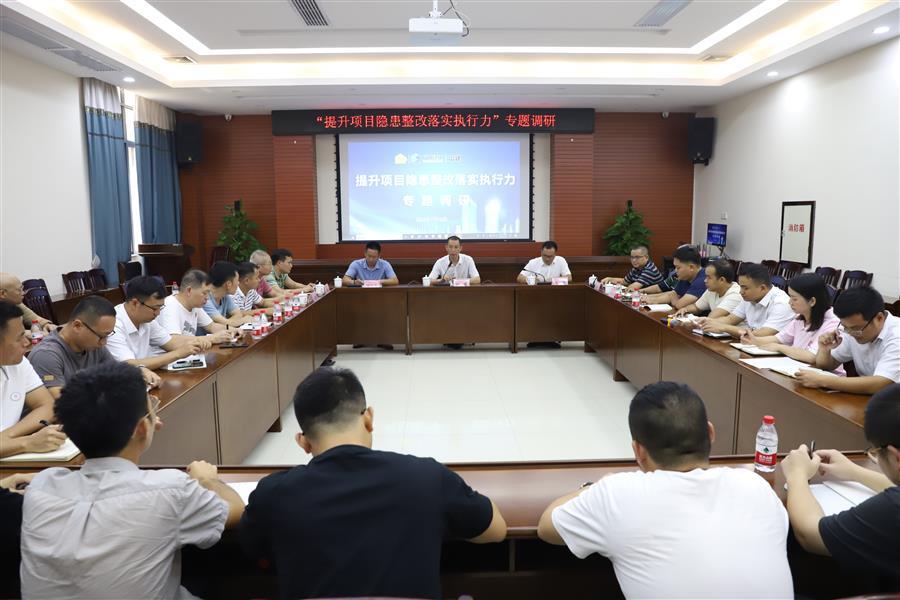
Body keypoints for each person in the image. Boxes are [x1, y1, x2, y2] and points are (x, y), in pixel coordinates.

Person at [239, 367, 506, 599]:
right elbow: (496, 530)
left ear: (303, 442)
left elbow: (252, 548)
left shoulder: (273, 495)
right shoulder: (427, 477)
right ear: (368, 419)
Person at [537, 381, 793, 598]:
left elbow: (547, 525)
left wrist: (594, 489)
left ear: (638, 451)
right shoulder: (755, 486)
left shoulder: (618, 495)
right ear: (710, 433)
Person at [20, 362, 244, 599]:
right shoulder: (171, 489)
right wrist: (208, 481)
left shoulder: (42, 487)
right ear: (142, 428)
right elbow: (237, 510)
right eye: (152, 409)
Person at [781, 383, 900, 587]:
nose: (875, 459)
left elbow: (809, 534)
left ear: (895, 457)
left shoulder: (893, 510)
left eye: (875, 453)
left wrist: (797, 475)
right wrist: (854, 472)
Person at [29, 295, 161, 397]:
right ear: (77, 326)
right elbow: (64, 403)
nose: (104, 343)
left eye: (108, 335)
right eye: (102, 336)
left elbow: (117, 373)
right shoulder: (46, 355)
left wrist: (140, 371)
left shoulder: (94, 345)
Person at [799, 286, 899, 394]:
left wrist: (823, 381)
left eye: (855, 328)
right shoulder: (851, 328)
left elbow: (881, 384)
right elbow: (828, 365)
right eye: (845, 327)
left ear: (879, 318)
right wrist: (824, 350)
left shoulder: (896, 336)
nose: (850, 333)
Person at [0, 301, 67, 458]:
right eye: (19, 338)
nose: (27, 343)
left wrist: (7, 438)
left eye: (25, 334)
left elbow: (48, 406)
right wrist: (27, 442)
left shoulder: (18, 362)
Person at [740, 273, 844, 373]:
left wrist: (780, 347)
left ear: (812, 301)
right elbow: (778, 339)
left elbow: (812, 356)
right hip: (799, 369)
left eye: (794, 299)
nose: (790, 302)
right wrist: (754, 340)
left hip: (826, 376)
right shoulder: (800, 318)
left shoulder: (832, 322)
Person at [106, 276, 204, 371]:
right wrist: (177, 354)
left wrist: (198, 343)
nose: (158, 313)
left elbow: (170, 343)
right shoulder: (113, 324)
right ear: (135, 303)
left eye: (160, 307)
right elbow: (130, 365)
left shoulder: (147, 320)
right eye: (155, 308)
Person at [697, 262, 794, 338]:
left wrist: (724, 327)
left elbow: (762, 334)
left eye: (745, 288)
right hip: (752, 345)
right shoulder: (749, 297)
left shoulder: (781, 303)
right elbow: (730, 319)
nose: (741, 292)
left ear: (762, 288)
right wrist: (709, 322)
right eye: (741, 287)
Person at [158, 269, 236, 349]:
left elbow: (211, 326)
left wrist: (234, 330)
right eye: (204, 293)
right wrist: (212, 338)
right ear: (189, 290)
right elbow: (174, 340)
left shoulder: (194, 305)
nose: (207, 298)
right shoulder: (170, 306)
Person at [639, 246, 706, 310]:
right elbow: (671, 294)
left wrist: (673, 297)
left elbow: (679, 305)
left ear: (691, 267)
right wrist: (649, 299)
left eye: (678, 267)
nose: (675, 270)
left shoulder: (703, 280)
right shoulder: (686, 276)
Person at [673, 259, 742, 319]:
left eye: (709, 277)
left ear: (721, 280)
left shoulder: (735, 294)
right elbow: (696, 307)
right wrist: (685, 309)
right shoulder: (713, 290)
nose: (705, 280)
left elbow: (712, 317)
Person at [203, 262, 253, 327]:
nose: (238, 283)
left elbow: (238, 314)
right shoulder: (205, 299)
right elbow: (223, 324)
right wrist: (243, 320)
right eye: (237, 280)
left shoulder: (225, 296)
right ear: (228, 284)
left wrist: (228, 323)